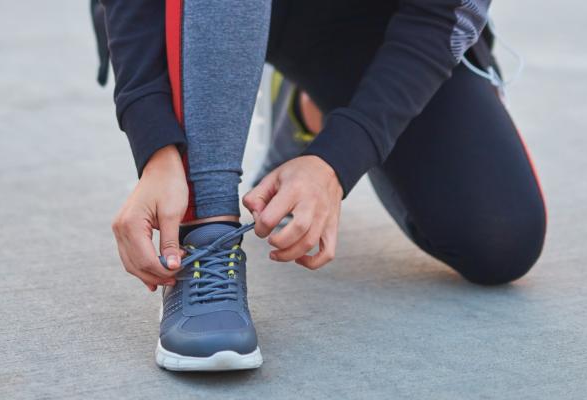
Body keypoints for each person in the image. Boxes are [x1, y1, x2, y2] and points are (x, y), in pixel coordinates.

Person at [93, 0, 546, 371]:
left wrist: (337, 159)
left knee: (500, 236)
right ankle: (206, 228)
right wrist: (155, 145)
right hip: (200, 10)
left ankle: (308, 110)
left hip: (357, 19)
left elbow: (443, 13)